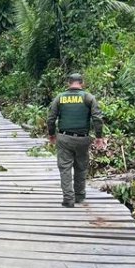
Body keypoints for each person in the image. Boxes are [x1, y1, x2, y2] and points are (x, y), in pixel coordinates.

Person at [47, 72, 106, 207]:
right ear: (82, 83)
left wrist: (51, 134)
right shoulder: (88, 97)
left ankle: (68, 198)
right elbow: (97, 118)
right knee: (81, 167)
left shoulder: (60, 98)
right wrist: (99, 137)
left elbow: (51, 118)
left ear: (68, 83)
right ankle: (79, 196)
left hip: (64, 138)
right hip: (82, 139)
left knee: (65, 168)